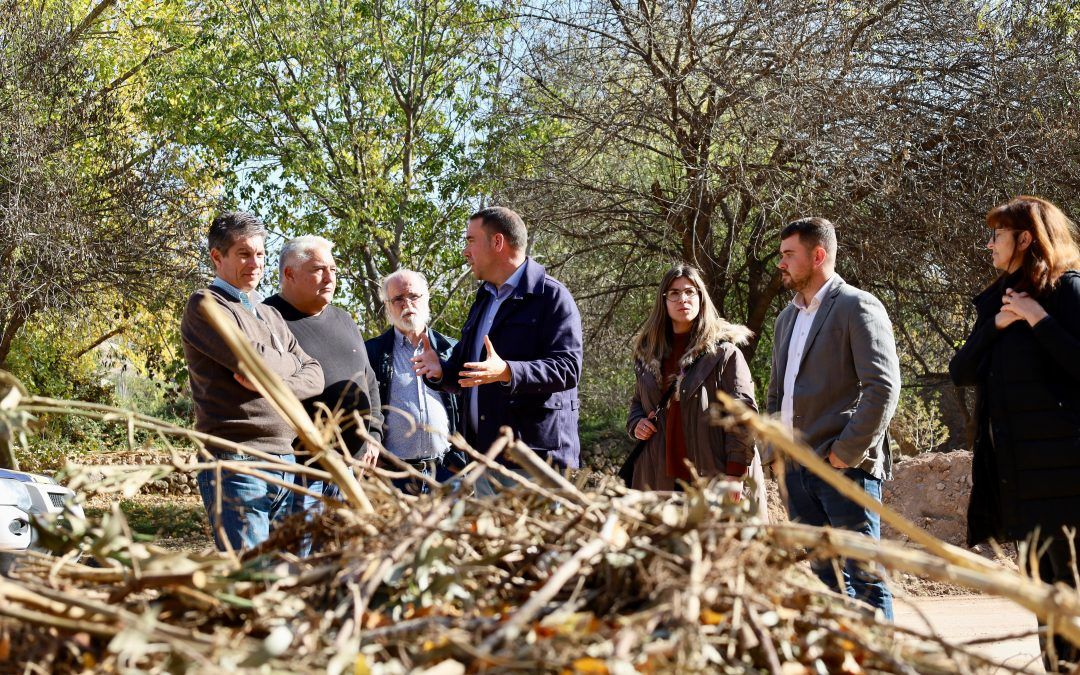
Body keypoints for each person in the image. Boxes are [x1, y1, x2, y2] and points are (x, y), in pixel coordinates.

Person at [949, 196, 1080, 671]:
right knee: (1047, 611)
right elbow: (961, 370)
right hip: (1020, 486)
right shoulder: (998, 303)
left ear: (1025, 239)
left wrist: (1039, 319)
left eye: (997, 235)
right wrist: (998, 325)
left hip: (1070, 488)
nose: (989, 245)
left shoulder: (1069, 293)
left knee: (1071, 606)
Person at [766, 217, 901, 619]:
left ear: (818, 255)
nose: (781, 263)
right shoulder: (785, 319)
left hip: (843, 470)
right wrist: (776, 453)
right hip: (797, 472)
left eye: (789, 254)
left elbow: (882, 387)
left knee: (864, 581)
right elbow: (778, 392)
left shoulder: (857, 305)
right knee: (827, 583)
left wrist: (845, 454)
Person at [180, 212, 324, 552]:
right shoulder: (206, 306)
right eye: (244, 254)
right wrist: (283, 363)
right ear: (217, 257)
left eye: (260, 254)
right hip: (237, 462)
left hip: (284, 461)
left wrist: (270, 381)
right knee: (252, 582)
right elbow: (251, 362)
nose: (255, 263)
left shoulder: (271, 313)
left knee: (281, 580)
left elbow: (314, 372)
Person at [412, 206, 583, 479]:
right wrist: (441, 371)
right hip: (483, 461)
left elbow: (568, 369)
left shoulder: (552, 297)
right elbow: (468, 374)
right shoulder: (484, 300)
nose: (465, 252)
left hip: (536, 465)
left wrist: (507, 372)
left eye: (470, 241)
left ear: (498, 242)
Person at [263, 235, 383, 549]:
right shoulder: (267, 320)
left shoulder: (344, 319)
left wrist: (374, 433)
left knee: (342, 560)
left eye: (332, 269)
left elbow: (368, 379)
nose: (330, 277)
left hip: (351, 470)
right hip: (301, 474)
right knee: (297, 560)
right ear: (289, 274)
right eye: (319, 269)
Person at [625, 264, 768, 510]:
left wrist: (735, 473)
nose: (683, 298)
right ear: (664, 301)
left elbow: (742, 415)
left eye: (690, 292)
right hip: (658, 478)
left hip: (714, 475)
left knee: (719, 548)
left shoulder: (724, 353)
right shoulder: (648, 354)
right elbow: (639, 402)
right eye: (674, 293)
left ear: (701, 298)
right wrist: (637, 423)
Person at [365, 269, 464, 494]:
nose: (406, 304)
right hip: (393, 476)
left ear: (427, 298)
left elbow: (469, 406)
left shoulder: (452, 349)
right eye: (398, 299)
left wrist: (463, 461)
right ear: (387, 306)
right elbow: (364, 410)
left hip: (448, 472)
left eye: (413, 296)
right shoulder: (372, 352)